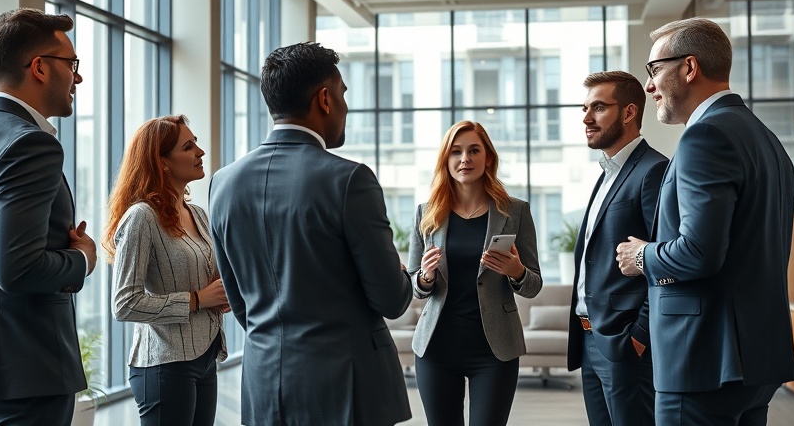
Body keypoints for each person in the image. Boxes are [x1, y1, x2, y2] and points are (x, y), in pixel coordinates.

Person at [208, 42, 413, 426]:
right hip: (344, 388)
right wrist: (401, 274)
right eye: (343, 94)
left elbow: (239, 302)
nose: (345, 106)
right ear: (324, 99)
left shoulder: (224, 183)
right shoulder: (349, 180)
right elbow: (391, 299)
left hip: (264, 383)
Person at [616, 18, 794, 425]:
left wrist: (641, 255)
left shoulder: (705, 137)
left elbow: (699, 253)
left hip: (702, 359)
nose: (649, 86)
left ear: (689, 68)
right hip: (755, 357)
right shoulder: (766, 141)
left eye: (654, 70)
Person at [0, 8, 97, 424]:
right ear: (40, 68)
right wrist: (83, 259)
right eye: (72, 65)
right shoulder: (29, 144)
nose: (78, 78)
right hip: (27, 370)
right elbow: (17, 268)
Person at [409, 120, 542, 426]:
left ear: (488, 158)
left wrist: (516, 270)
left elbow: (533, 284)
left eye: (473, 150)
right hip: (436, 349)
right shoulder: (426, 213)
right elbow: (414, 285)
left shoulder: (515, 212)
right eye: (456, 152)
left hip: (494, 352)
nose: (464, 158)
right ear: (447, 160)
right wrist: (425, 277)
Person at [104, 115, 229, 426]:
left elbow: (204, 278)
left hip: (206, 357)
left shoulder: (198, 214)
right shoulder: (141, 217)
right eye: (188, 147)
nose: (200, 152)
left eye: (196, 143)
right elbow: (124, 304)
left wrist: (221, 293)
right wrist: (197, 299)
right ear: (162, 163)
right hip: (164, 366)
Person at [568, 71, 667, 426]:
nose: (586, 117)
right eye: (585, 108)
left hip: (625, 343)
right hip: (590, 339)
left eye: (598, 107)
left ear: (628, 113)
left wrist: (639, 337)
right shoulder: (606, 173)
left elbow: (665, 261)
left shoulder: (653, 170)